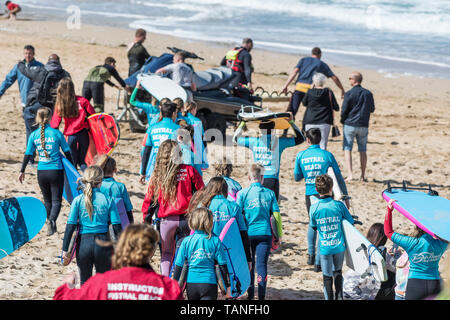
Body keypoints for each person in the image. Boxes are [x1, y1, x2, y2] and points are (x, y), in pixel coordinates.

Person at [54, 223, 184, 300]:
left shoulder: (101, 283)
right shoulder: (168, 288)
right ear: (151, 251)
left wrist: (66, 287)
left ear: (123, 246)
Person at [141, 140, 204, 277]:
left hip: (165, 222)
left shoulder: (157, 175)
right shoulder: (189, 170)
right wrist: (193, 206)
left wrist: (146, 219)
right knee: (183, 256)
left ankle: (166, 284)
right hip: (186, 220)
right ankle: (179, 285)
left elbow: (149, 201)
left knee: (166, 254)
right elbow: (202, 191)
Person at [293, 128, 349, 271]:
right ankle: (318, 261)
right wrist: (345, 195)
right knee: (323, 226)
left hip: (310, 193)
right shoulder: (327, 155)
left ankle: (311, 255)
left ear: (307, 140)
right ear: (321, 139)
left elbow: (297, 177)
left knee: (313, 224)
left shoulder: (301, 155)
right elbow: (338, 177)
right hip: (326, 192)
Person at [61, 165, 122, 285]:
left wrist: (64, 249)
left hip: (83, 246)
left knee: (85, 285)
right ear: (101, 180)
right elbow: (117, 227)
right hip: (103, 245)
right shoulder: (108, 199)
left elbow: (70, 226)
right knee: (103, 285)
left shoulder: (78, 200)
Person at [18, 107, 73, 236]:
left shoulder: (34, 135)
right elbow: (67, 152)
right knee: (56, 201)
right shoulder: (56, 133)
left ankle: (49, 223)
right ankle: (52, 220)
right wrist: (72, 168)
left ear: (37, 118)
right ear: (50, 118)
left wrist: (22, 170)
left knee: (47, 200)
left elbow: (28, 154)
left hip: (41, 172)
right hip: (55, 171)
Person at [384, 199, 448, 300]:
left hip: (415, 285)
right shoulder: (441, 243)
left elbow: (388, 232)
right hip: (434, 283)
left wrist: (389, 210)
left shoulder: (412, 243)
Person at [233, 113, 305, 200]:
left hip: (257, 178)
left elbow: (235, 139)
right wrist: (291, 122)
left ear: (260, 129)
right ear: (273, 129)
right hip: (272, 179)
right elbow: (301, 139)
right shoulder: (279, 142)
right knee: (272, 210)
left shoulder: (254, 141)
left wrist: (243, 122)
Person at [236, 164, 282, 300]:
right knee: (262, 265)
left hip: (248, 235)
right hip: (265, 234)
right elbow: (276, 216)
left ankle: (250, 296)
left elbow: (237, 216)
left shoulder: (242, 194)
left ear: (249, 177)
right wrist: (279, 235)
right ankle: (261, 297)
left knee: (250, 265)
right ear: (262, 178)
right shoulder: (270, 193)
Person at [280, 47, 345, 135]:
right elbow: (334, 78)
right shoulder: (322, 64)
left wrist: (285, 85)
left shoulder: (303, 60)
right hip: (311, 90)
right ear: (320, 55)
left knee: (291, 111)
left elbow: (295, 72)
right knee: (309, 111)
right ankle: (304, 131)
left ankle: (285, 131)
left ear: (312, 53)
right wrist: (342, 89)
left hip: (299, 88)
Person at [309, 174, 354, 300]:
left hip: (325, 248)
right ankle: (339, 297)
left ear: (317, 190)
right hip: (339, 246)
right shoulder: (339, 205)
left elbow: (313, 226)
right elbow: (350, 222)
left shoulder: (314, 207)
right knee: (338, 272)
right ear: (331, 188)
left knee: (327, 276)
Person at [188, 176, 251, 265]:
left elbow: (194, 232)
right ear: (225, 189)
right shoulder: (234, 207)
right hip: (229, 251)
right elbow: (243, 233)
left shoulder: (202, 206)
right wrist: (248, 258)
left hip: (207, 250)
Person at [173, 207, 231, 300]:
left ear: (192, 221)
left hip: (191, 284)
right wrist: (227, 286)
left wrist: (174, 286)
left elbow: (178, 266)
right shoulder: (215, 241)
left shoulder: (186, 241)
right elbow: (223, 266)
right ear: (210, 222)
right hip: (209, 283)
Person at [18, 54, 71, 152]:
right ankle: (51, 154)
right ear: (59, 61)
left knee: (31, 132)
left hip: (36, 105)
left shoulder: (40, 71)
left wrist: (20, 64)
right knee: (52, 133)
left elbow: (25, 71)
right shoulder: (65, 74)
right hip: (53, 108)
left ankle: (30, 158)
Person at [343, 223, 401, 300]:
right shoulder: (380, 254)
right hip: (357, 295)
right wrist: (398, 255)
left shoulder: (360, 246)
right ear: (382, 238)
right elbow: (397, 268)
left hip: (344, 287)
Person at [50, 78, 95, 171]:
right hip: (83, 134)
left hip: (71, 137)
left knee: (72, 164)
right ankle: (89, 179)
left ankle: (74, 184)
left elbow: (54, 125)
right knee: (82, 162)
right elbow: (94, 116)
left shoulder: (60, 104)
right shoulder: (83, 101)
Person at [340, 71, 375, 182]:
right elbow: (372, 109)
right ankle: (362, 175)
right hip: (363, 124)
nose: (349, 80)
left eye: (350, 78)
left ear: (355, 80)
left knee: (347, 149)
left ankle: (350, 175)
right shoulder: (368, 94)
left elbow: (344, 110)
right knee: (363, 150)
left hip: (350, 124)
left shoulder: (349, 93)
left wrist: (342, 120)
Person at [140, 101, 180, 181]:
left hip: (155, 167)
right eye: (176, 113)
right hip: (171, 167)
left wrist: (143, 172)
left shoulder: (152, 128)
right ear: (173, 114)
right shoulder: (178, 129)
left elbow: (146, 151)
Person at [301, 72, 340, 150]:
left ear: (314, 82)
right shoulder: (328, 92)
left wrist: (311, 89)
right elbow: (336, 107)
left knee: (310, 145)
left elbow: (304, 103)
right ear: (324, 82)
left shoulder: (310, 91)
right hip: (324, 121)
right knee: (323, 145)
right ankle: (321, 161)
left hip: (310, 120)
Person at [0, 45, 43, 109]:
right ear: (24, 54)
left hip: (37, 101)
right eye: (26, 53)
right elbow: (8, 80)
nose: (28, 56)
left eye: (30, 53)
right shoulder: (18, 67)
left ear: (33, 54)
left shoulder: (40, 66)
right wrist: (0, 92)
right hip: (25, 101)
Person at [96, 154, 134, 224]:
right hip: (117, 223)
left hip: (99, 223)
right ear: (115, 170)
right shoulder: (120, 186)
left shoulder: (95, 185)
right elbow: (128, 209)